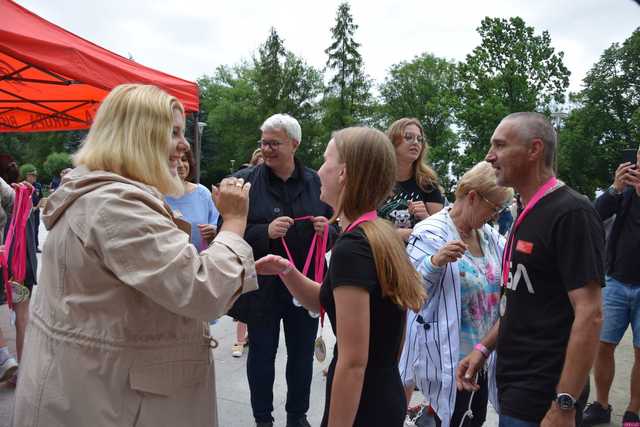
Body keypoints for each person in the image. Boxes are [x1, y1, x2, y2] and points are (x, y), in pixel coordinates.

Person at [12, 84, 258, 427]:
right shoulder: (115, 205)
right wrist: (233, 222)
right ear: (138, 136)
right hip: (113, 405)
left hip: (101, 396)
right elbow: (204, 291)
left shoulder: (102, 196)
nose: (184, 146)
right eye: (173, 132)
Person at [255, 126, 426, 427]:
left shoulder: (353, 247)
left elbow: (354, 362)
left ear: (344, 173)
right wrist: (288, 270)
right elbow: (329, 299)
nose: (319, 170)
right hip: (381, 395)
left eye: (326, 160)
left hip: (361, 406)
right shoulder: (378, 233)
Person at [456, 112, 605, 427]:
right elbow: (520, 300)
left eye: (500, 145)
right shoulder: (528, 211)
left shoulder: (571, 213)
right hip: (514, 387)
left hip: (544, 395)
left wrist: (565, 402)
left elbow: (590, 313)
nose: (489, 156)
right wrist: (484, 347)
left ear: (534, 149)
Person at [227, 113, 335, 427]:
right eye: (264, 143)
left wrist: (326, 229)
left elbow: (340, 227)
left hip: (304, 286)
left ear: (294, 144)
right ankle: (263, 419)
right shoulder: (246, 181)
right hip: (261, 287)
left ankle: (297, 416)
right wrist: (265, 232)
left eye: (275, 143)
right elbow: (227, 231)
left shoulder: (317, 183)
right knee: (261, 355)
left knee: (301, 357)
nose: (268, 149)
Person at [400, 161, 513, 427]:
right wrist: (434, 262)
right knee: (452, 419)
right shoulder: (429, 232)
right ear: (473, 197)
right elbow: (411, 295)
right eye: (494, 207)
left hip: (482, 356)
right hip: (447, 361)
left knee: (475, 419)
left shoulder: (489, 237)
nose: (496, 215)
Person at [584, 145, 640, 427]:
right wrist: (616, 188)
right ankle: (601, 404)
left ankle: (633, 409)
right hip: (616, 279)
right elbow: (595, 216)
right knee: (603, 345)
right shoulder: (625, 191)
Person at [379, 118, 445, 241]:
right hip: (379, 252)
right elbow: (363, 226)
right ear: (392, 142)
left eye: (419, 139)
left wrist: (426, 217)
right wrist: (397, 234)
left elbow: (440, 232)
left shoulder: (428, 183)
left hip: (417, 256)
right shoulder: (375, 181)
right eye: (408, 137)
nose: (415, 142)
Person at [232, 148, 263, 358]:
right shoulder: (244, 185)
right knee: (244, 304)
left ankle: (248, 338)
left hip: (262, 260)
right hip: (246, 258)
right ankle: (239, 340)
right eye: (259, 162)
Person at [165, 146, 219, 251]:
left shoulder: (202, 193)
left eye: (184, 160)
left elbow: (217, 223)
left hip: (201, 261)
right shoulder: (156, 194)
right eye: (174, 160)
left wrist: (214, 230)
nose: (180, 165)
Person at [22, 165, 42, 252]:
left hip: (36, 211)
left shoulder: (38, 185)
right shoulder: (23, 185)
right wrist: (29, 208)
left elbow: (41, 198)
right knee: (26, 229)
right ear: (27, 176)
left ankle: (35, 246)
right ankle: (26, 247)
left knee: (36, 229)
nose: (35, 177)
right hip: (26, 212)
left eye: (35, 175)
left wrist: (36, 207)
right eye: (33, 175)